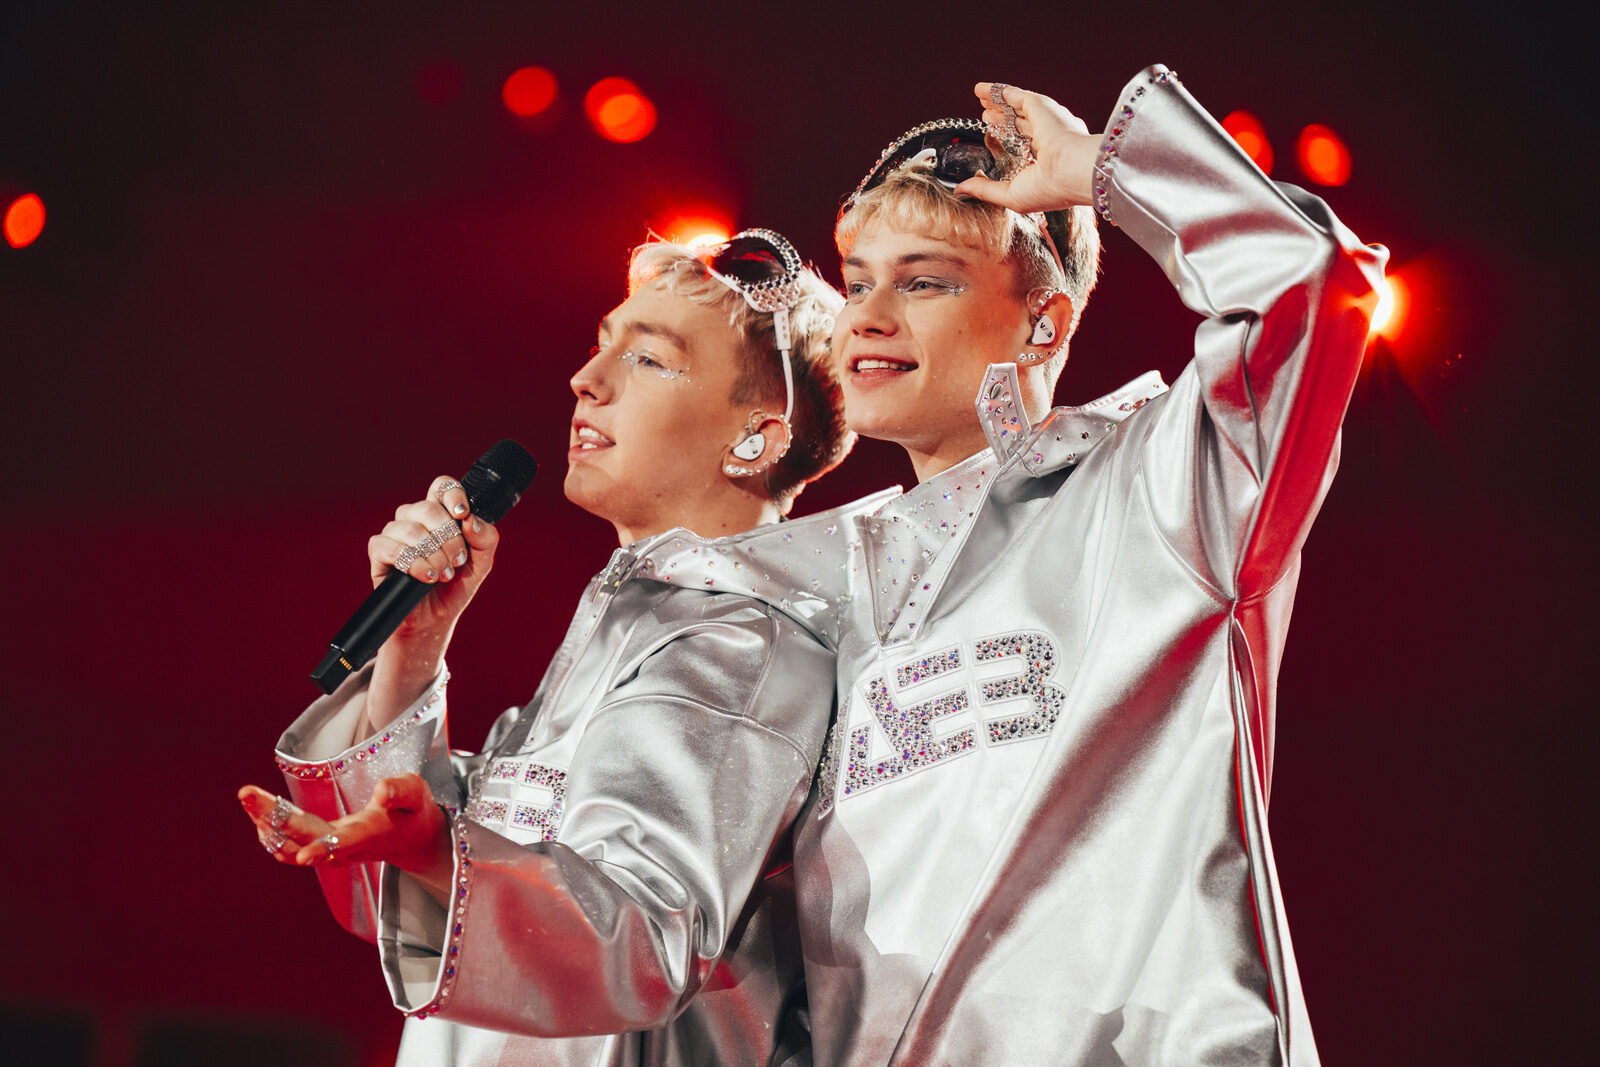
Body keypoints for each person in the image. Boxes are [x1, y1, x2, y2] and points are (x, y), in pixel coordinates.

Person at [792, 69, 1388, 1064]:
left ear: (1045, 319)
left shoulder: (1165, 487)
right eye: (859, 280)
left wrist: (1104, 168)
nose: (869, 313)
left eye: (926, 278)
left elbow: (1306, 285)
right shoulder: (824, 584)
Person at [239, 228, 893, 1065]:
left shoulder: (741, 646)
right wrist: (413, 647)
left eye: (651, 360)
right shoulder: (636, 634)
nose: (586, 379)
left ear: (756, 436)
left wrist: (445, 848)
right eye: (600, 346)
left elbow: (644, 941)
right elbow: (404, 912)